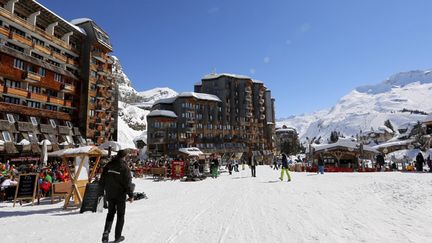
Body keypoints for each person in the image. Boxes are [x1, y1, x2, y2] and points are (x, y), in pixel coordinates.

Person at [99, 149, 134, 243]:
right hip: (120, 195)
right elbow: (127, 183)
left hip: (110, 193)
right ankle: (118, 237)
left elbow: (102, 179)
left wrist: (101, 191)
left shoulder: (109, 165)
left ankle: (106, 233)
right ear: (124, 157)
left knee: (110, 213)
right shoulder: (124, 167)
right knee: (120, 215)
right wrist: (130, 195)